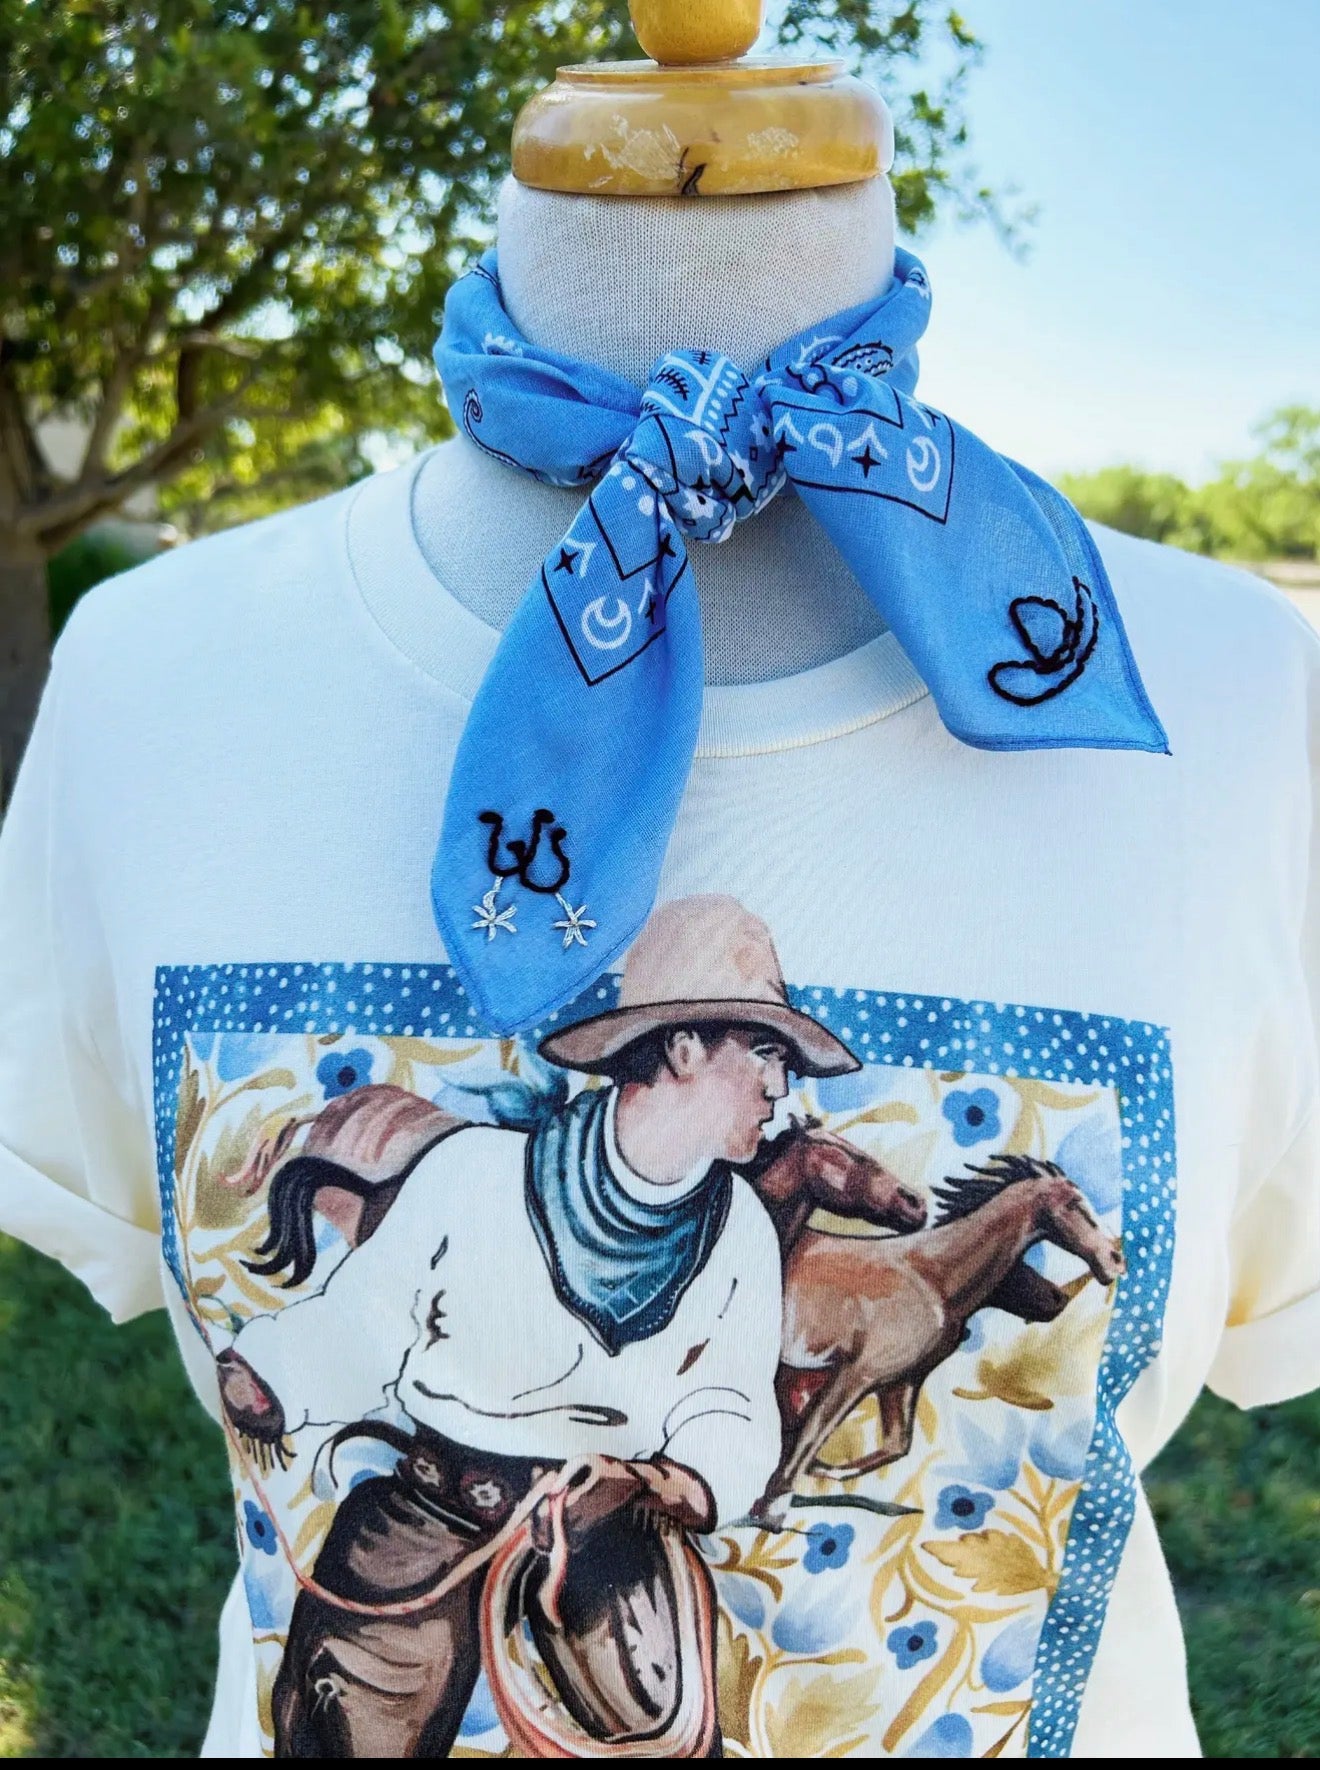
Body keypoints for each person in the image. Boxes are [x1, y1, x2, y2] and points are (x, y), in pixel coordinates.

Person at [215, 894, 859, 1757]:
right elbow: (368, 1313)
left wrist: (663, 1482)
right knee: (348, 1709)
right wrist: (274, 1377)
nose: (781, 1088)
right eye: (766, 1054)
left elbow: (731, 1403)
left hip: (610, 1521)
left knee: (668, 1733)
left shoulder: (737, 1226)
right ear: (682, 1048)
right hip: (438, 1503)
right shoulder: (477, 1173)